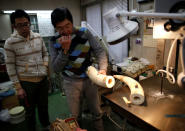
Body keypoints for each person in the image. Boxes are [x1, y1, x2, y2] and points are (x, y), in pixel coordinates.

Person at [49, 7, 108, 131]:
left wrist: (103, 69)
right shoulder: (53, 41)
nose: (65, 31)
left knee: (97, 112)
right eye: (60, 28)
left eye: (67, 25)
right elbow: (56, 68)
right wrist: (65, 50)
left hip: (90, 78)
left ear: (72, 21)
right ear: (55, 27)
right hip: (70, 82)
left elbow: (99, 50)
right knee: (75, 117)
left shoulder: (84, 32)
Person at [4, 9, 50, 131]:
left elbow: (45, 54)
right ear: (14, 26)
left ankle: (46, 126)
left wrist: (44, 66)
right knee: (29, 111)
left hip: (42, 80)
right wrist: (18, 87)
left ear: (29, 23)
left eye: (26, 24)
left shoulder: (38, 37)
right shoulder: (10, 43)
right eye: (20, 25)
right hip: (26, 83)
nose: (24, 28)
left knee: (44, 106)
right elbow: (10, 66)